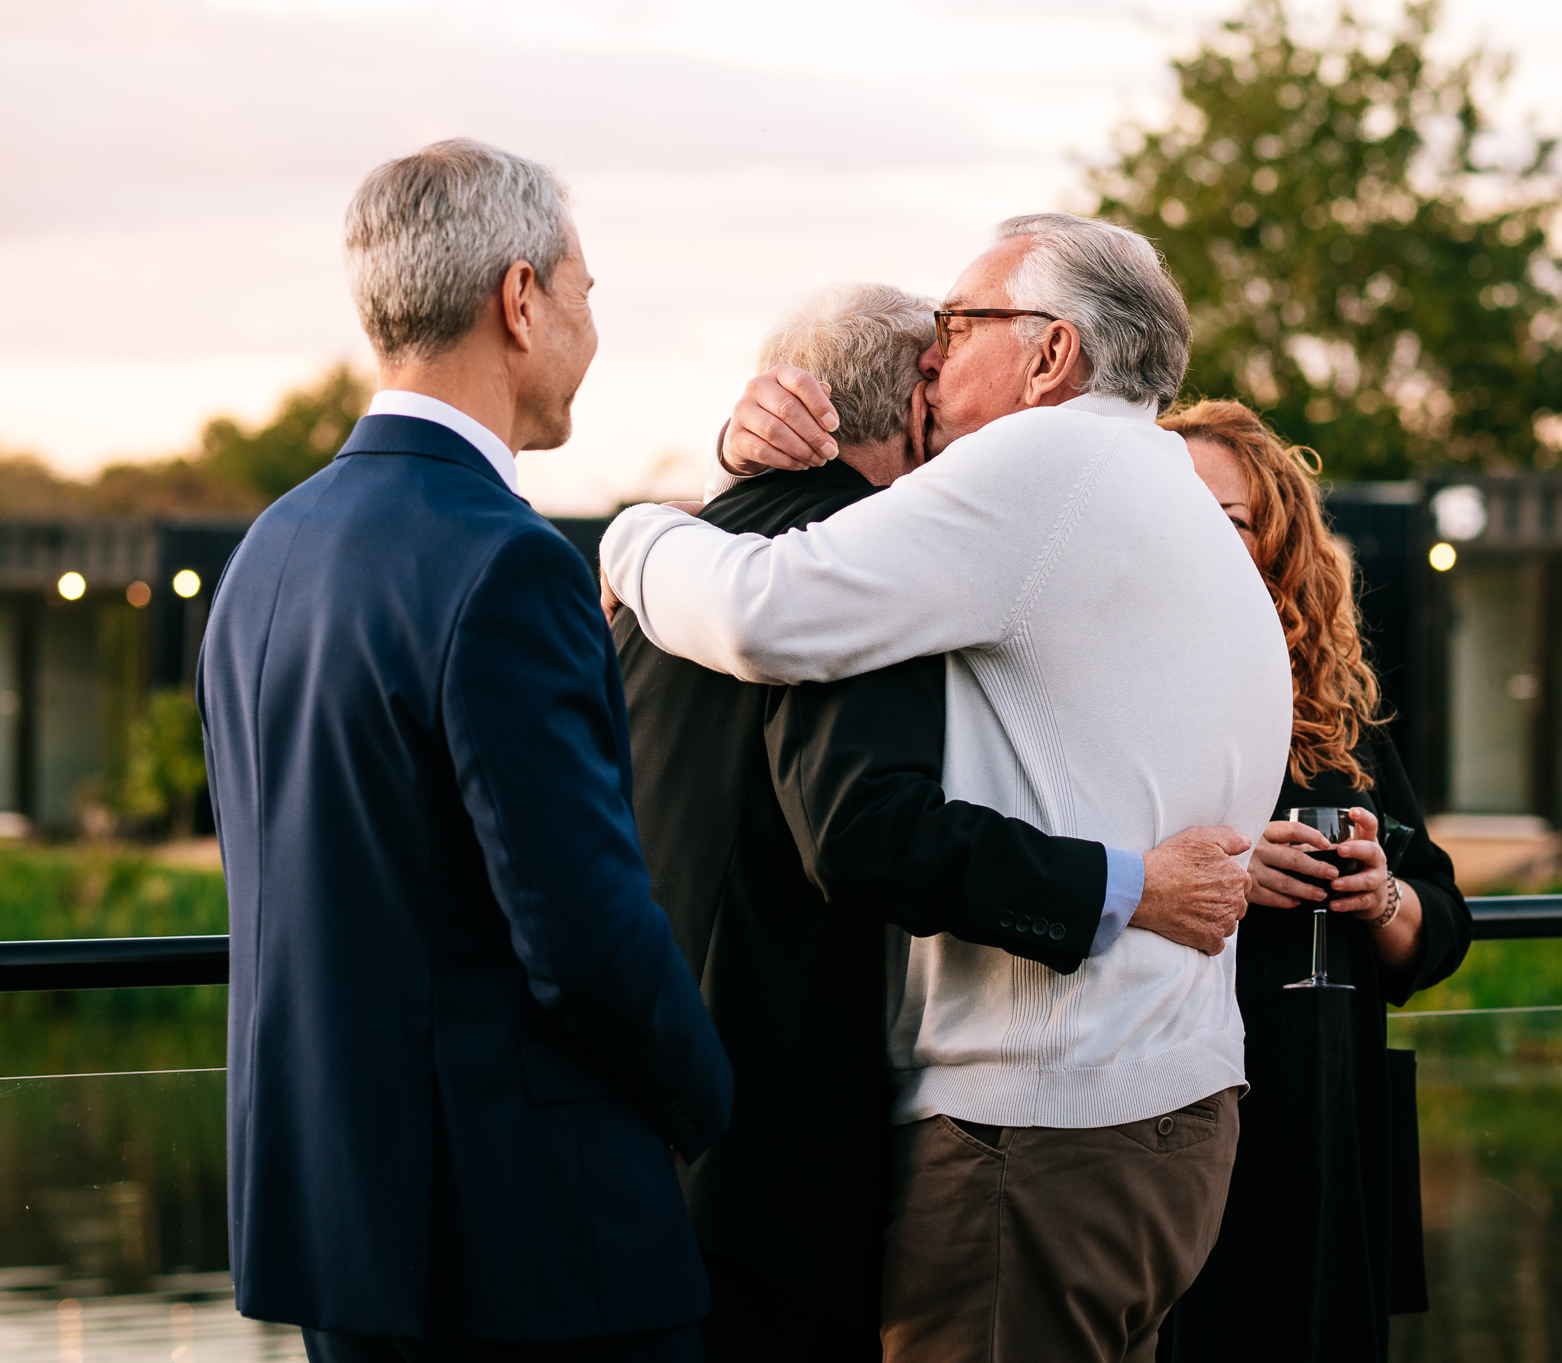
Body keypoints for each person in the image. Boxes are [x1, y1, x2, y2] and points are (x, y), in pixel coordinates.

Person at [601, 212, 1293, 1362]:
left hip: (1033, 1140)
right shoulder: (1169, 493)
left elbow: (765, 611)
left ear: (1049, 355)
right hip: (1167, 1114)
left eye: (961, 323)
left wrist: (635, 531)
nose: (934, 351)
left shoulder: (1042, 463)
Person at [197, 140, 732, 1363]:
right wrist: (708, 1099)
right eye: (586, 295)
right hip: (530, 1239)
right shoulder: (508, 562)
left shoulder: (268, 552)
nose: (592, 332)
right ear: (520, 298)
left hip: (339, 1230)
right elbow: (584, 931)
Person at [1153, 400, 1471, 1363]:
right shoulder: (1112, 696)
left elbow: (1444, 920)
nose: (1205, 538)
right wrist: (1232, 880)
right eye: (1179, 509)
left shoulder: (1330, 711)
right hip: (1171, 1110)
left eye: (1234, 518)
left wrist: (1384, 895)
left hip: (1327, 1114)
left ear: (1279, 546)